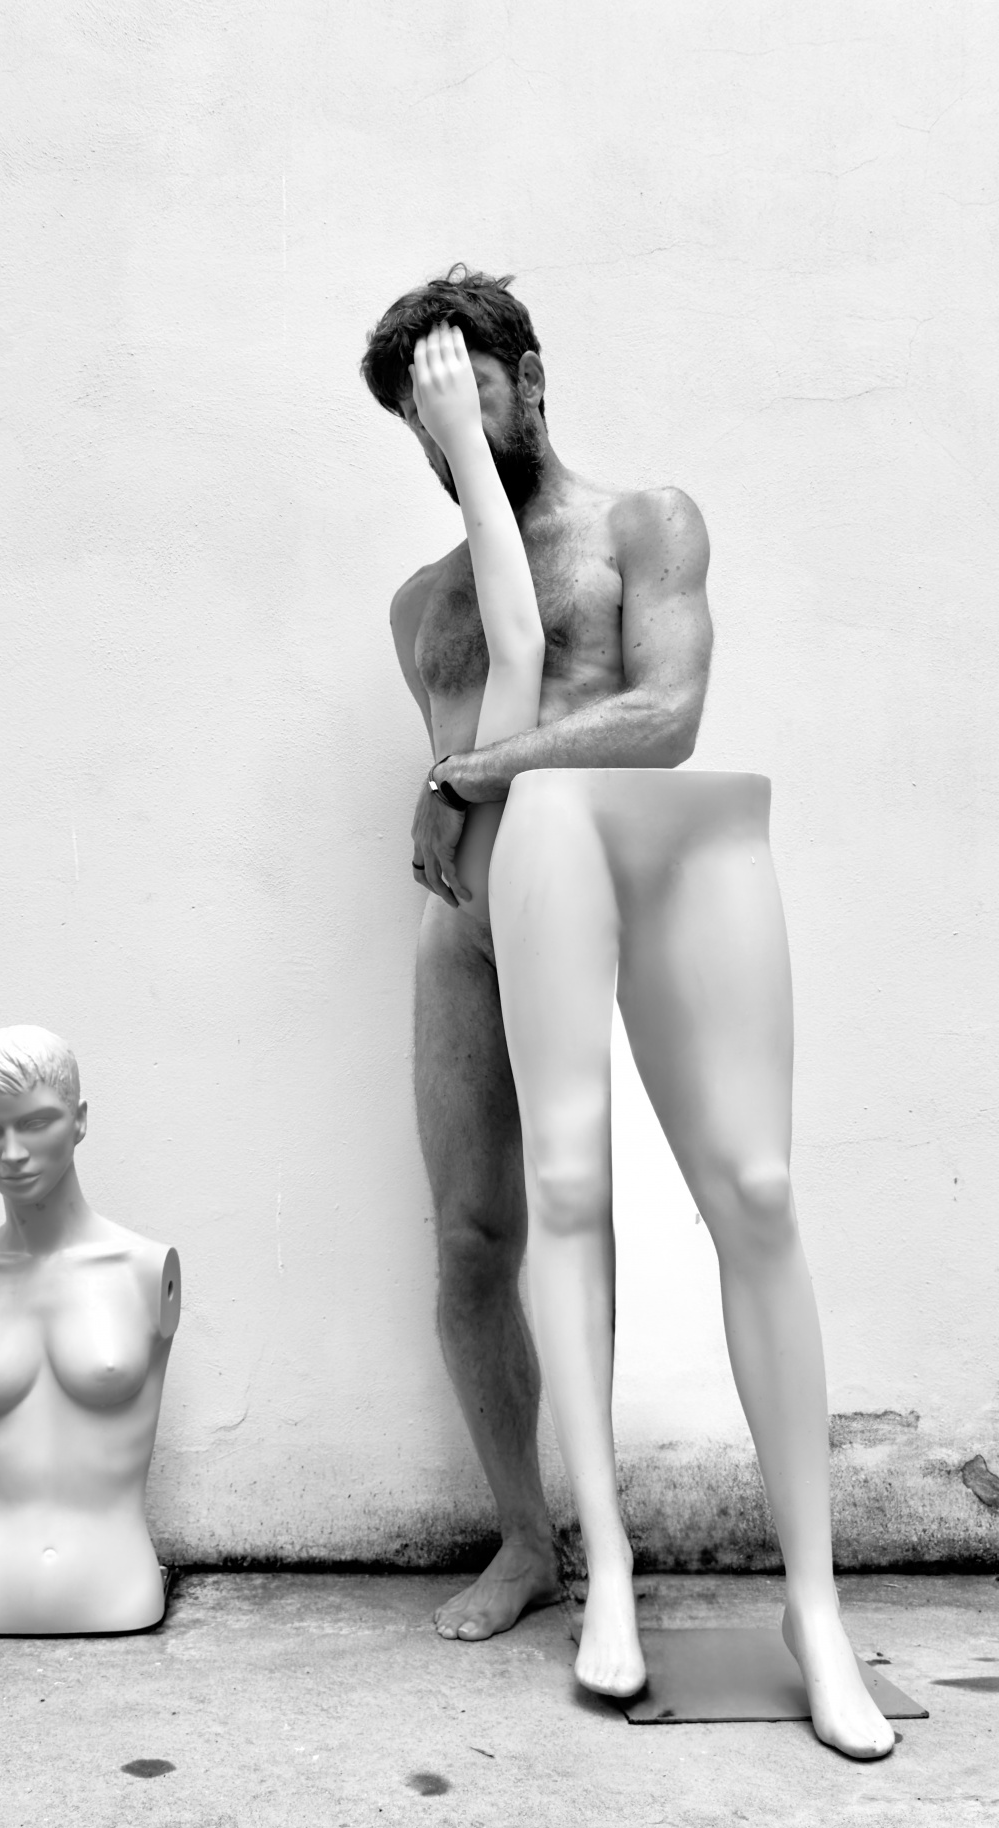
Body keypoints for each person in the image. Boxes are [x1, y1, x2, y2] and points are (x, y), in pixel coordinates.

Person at [361, 266, 712, 1641]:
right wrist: (458, 785)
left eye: (459, 395)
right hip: (465, 933)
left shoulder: (642, 524)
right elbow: (462, 780)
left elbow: (664, 716)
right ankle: (527, 1538)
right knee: (468, 1238)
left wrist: (471, 772)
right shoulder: (420, 605)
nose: (438, 433)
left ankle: (613, 1540)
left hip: (607, 910)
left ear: (530, 382)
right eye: (416, 416)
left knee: (609, 1217)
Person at [0, 1025, 180, 1636]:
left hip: (114, 1582)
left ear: (80, 1121)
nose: (11, 1152)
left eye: (36, 1122)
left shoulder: (144, 1269)